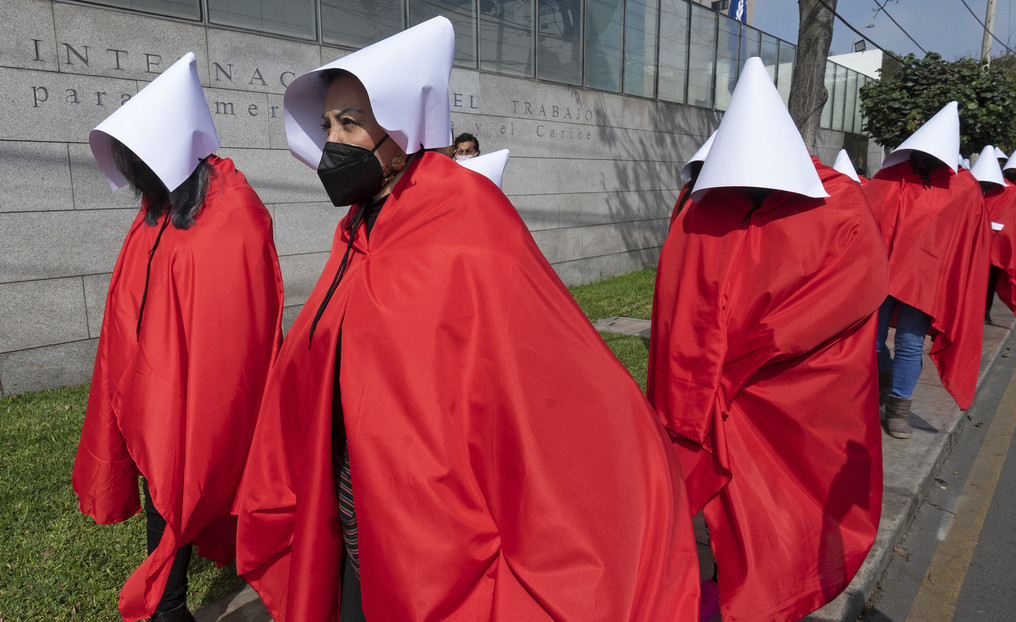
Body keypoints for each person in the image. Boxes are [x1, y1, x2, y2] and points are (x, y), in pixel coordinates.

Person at [233, 17, 698, 622]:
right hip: (355, 498)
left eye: (351, 122)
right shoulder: (355, 230)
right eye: (327, 126)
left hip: (438, 524)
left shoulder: (465, 216)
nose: (333, 141)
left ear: (400, 126)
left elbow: (540, 369)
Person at [648, 57, 888, 622]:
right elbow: (675, 304)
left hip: (783, 403)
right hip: (699, 401)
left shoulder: (840, 207)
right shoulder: (700, 205)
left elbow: (844, 298)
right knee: (704, 529)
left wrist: (736, 366)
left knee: (777, 521)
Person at [72, 53, 284, 622]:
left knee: (186, 482)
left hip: (198, 394)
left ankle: (169, 603)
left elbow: (234, 324)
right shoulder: (158, 209)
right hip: (151, 390)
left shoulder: (232, 209)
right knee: (163, 490)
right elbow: (132, 296)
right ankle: (170, 603)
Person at [863, 101, 991, 438]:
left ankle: (897, 410)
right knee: (869, 341)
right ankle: (884, 378)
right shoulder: (888, 177)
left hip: (926, 282)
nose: (925, 158)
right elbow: (864, 221)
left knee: (909, 342)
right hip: (881, 276)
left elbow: (969, 243)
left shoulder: (964, 187)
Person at [974, 146, 1016, 326]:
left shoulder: (1011, 192)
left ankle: (985, 311)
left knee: (989, 282)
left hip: (995, 248)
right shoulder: (969, 188)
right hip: (971, 245)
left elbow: (1014, 221)